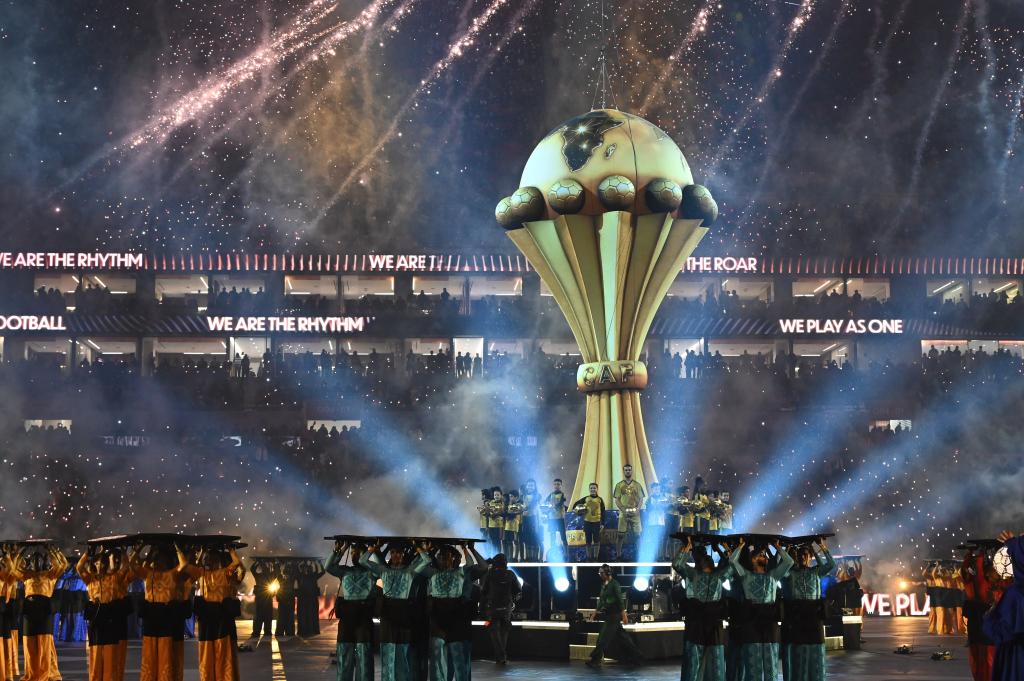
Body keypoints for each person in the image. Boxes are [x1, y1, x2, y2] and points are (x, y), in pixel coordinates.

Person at [359, 541, 432, 681]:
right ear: (390, 555)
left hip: (404, 617)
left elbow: (427, 560)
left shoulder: (409, 571)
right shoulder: (384, 571)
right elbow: (363, 561)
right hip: (388, 618)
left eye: (399, 553)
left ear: (403, 555)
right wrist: (374, 548)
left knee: (403, 656)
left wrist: (417, 547)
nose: (396, 555)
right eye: (393, 552)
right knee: (387, 656)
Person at [419, 542, 487, 681]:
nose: (444, 559)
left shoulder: (465, 572)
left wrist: (469, 549)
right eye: (441, 557)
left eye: (447, 556)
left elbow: (484, 567)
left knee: (460, 659)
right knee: (440, 661)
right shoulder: (434, 574)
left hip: (459, 620)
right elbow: (420, 568)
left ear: (456, 559)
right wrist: (427, 551)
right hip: (439, 620)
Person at [729, 537, 794, 681]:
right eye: (761, 555)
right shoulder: (745, 575)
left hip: (770, 624)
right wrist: (741, 545)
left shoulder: (773, 575)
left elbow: (789, 562)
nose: (764, 556)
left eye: (764, 555)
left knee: (771, 669)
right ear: (752, 559)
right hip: (751, 624)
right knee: (753, 668)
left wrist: (777, 547)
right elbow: (732, 561)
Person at [177, 544, 245, 681]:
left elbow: (239, 565)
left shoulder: (225, 573)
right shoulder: (203, 573)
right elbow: (184, 566)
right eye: (208, 559)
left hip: (220, 618)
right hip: (209, 618)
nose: (210, 561)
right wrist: (229, 550)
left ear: (218, 560)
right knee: (209, 652)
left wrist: (230, 550)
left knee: (222, 651)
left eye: (213, 559)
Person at [675, 537, 735, 681]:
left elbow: (677, 564)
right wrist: (726, 549)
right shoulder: (713, 576)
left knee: (698, 661)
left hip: (701, 623)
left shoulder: (697, 575)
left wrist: (687, 547)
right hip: (708, 623)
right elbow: (733, 565)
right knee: (711, 662)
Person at [781, 538, 834, 681]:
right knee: (800, 656)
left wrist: (819, 546)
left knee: (817, 654)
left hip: (815, 618)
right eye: (800, 555)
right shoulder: (792, 573)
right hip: (798, 618)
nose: (802, 557)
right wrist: (785, 549)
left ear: (810, 557)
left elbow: (831, 564)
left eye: (806, 555)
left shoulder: (816, 572)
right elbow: (781, 569)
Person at [77, 546, 134, 681]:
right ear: (93, 564)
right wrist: (87, 553)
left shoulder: (114, 578)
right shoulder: (90, 579)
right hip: (96, 619)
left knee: (110, 653)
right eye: (96, 563)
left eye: (102, 563)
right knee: (96, 653)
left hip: (110, 619)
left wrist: (124, 553)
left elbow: (126, 567)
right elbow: (79, 567)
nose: (99, 565)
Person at [12, 545, 68, 681]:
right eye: (33, 560)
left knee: (44, 644)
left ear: (45, 562)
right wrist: (20, 553)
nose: (36, 562)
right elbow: (14, 569)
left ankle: (44, 674)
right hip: (29, 612)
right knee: (29, 645)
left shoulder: (50, 575)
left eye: (39, 559)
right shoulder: (26, 575)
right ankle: (32, 674)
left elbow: (62, 565)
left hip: (44, 612)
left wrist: (52, 550)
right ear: (30, 563)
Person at [134, 543, 186, 681]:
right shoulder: (147, 574)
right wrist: (144, 551)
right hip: (150, 617)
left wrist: (177, 549)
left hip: (165, 617)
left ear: (167, 561)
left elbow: (183, 565)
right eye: (156, 559)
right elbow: (132, 565)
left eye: (161, 559)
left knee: (164, 653)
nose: (158, 562)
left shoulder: (172, 574)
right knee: (149, 653)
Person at [325, 542, 375, 681]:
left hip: (364, 617)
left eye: (358, 552)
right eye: (352, 552)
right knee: (344, 655)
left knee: (364, 657)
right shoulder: (345, 571)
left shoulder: (371, 572)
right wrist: (341, 549)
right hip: (347, 618)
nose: (354, 555)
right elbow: (328, 567)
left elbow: (381, 566)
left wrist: (372, 550)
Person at [984, 530, 1024, 681]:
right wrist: (1015, 543)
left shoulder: (1015, 593)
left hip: (1017, 659)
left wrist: (990, 617)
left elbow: (1001, 631)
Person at [586, 564, 642, 668]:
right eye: (599, 573)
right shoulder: (604, 585)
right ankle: (637, 657)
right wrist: (594, 613)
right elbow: (601, 601)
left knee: (603, 638)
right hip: (609, 615)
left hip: (614, 616)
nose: (600, 575)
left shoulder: (614, 584)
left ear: (607, 573)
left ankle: (595, 660)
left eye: (601, 573)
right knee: (624, 638)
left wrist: (624, 616)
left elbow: (620, 601)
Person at [962, 544, 999, 681]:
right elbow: (974, 571)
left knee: (982, 659)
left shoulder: (976, 584)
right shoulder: (983, 585)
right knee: (984, 659)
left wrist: (972, 555)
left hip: (979, 626)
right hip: (983, 627)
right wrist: (980, 554)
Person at [479, 554, 520, 665]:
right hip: (506, 607)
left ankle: (500, 655)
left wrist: (482, 608)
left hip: (492, 607)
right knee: (504, 632)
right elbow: (518, 589)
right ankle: (501, 656)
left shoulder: (490, 574)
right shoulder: (510, 574)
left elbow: (484, 591)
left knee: (494, 633)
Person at [612, 464, 646, 559]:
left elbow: (641, 499)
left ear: (631, 471)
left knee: (638, 535)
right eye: (626, 470)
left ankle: (639, 555)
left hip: (635, 513)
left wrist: (637, 510)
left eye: (629, 470)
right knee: (620, 535)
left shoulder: (637, 485)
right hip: (624, 513)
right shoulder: (619, 485)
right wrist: (623, 510)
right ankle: (618, 555)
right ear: (624, 471)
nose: (628, 471)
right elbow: (617, 500)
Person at [573, 483, 606, 561]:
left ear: (597, 489)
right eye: (591, 488)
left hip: (597, 523)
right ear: (589, 489)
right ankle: (589, 558)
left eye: (594, 488)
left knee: (596, 541)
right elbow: (575, 505)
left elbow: (603, 512)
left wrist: (603, 523)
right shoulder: (586, 498)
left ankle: (595, 558)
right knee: (588, 541)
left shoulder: (600, 499)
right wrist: (577, 511)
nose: (593, 489)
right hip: (587, 522)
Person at [296, 559, 325, 638]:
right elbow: (322, 572)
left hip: (306, 599)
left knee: (306, 615)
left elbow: (322, 572)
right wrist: (317, 564)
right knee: (310, 615)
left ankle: (306, 630)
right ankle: (310, 630)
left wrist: (299, 564)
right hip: (309, 599)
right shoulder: (310, 576)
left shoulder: (304, 577)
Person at [248, 559, 274, 641]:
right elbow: (252, 569)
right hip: (265, 598)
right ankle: (266, 631)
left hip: (262, 599)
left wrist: (257, 562)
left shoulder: (260, 576)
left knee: (260, 617)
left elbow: (252, 569)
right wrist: (273, 563)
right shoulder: (269, 577)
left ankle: (258, 632)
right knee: (265, 616)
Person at [543, 479, 569, 560]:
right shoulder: (550, 495)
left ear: (561, 485)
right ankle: (553, 553)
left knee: (563, 537)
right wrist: (546, 510)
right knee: (552, 536)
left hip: (560, 518)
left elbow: (560, 503)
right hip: (552, 519)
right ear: (553, 485)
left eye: (558, 484)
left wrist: (553, 506)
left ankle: (566, 555)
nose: (556, 486)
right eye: (555, 484)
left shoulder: (562, 495)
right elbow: (545, 502)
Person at [520, 480, 542, 562]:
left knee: (534, 538)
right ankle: (528, 557)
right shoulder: (523, 496)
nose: (530, 487)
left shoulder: (537, 496)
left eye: (532, 485)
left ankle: (535, 558)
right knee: (527, 538)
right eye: (529, 485)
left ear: (535, 487)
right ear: (526, 486)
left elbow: (532, 504)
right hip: (525, 518)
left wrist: (525, 508)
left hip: (534, 519)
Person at [275, 561, 297, 638]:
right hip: (283, 601)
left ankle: (288, 631)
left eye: (287, 574)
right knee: (282, 617)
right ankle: (281, 632)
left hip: (288, 601)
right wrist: (277, 565)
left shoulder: (291, 580)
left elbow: (294, 574)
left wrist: (294, 564)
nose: (286, 576)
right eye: (285, 574)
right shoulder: (282, 579)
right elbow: (278, 574)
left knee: (289, 617)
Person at [503, 491, 523, 561]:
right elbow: (506, 513)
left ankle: (515, 557)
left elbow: (514, 513)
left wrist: (508, 514)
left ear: (516, 497)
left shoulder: (518, 505)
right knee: (509, 542)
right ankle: (510, 557)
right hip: (508, 526)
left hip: (515, 527)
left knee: (515, 541)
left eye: (511, 496)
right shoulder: (508, 505)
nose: (510, 498)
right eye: (509, 496)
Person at [484, 488, 505, 554]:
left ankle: (498, 555)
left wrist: (497, 513)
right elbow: (487, 514)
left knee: (498, 541)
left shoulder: (503, 503)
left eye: (498, 495)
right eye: (495, 495)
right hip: (491, 525)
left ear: (501, 495)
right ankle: (493, 555)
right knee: (492, 541)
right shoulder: (490, 503)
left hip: (499, 526)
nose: (496, 496)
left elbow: (504, 514)